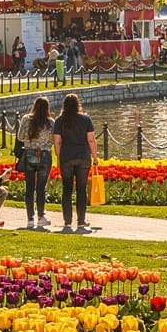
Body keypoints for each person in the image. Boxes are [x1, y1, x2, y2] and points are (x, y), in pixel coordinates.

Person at [52, 93, 97, 234]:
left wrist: (59, 157)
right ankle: (82, 221)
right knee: (81, 189)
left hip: (67, 156)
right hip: (83, 155)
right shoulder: (85, 119)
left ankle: (67, 221)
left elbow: (57, 142)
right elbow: (91, 139)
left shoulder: (59, 121)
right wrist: (95, 157)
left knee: (67, 189)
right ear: (78, 104)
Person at [16, 95, 55, 230]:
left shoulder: (26, 119)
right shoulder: (50, 122)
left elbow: (20, 137)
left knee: (29, 187)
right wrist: (43, 145)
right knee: (41, 188)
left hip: (29, 153)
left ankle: (30, 218)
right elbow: (53, 140)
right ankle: (41, 216)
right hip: (44, 154)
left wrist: (32, 143)